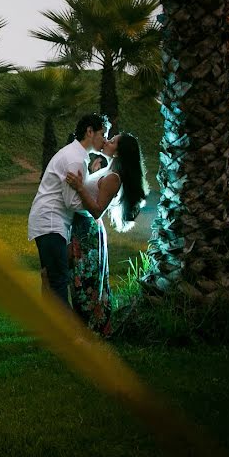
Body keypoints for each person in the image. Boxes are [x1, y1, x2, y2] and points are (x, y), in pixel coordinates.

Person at [65, 133, 148, 337]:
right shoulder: (108, 169)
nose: (107, 142)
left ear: (118, 152)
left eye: (112, 141)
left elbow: (97, 210)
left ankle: (90, 328)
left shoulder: (113, 177)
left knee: (85, 282)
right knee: (78, 279)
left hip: (88, 232)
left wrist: (78, 187)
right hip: (81, 228)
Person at [28, 113, 109, 307]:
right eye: (102, 134)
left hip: (49, 222)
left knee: (50, 278)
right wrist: (96, 207)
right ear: (89, 131)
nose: (105, 139)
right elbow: (72, 202)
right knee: (58, 280)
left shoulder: (76, 154)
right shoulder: (75, 159)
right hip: (51, 223)